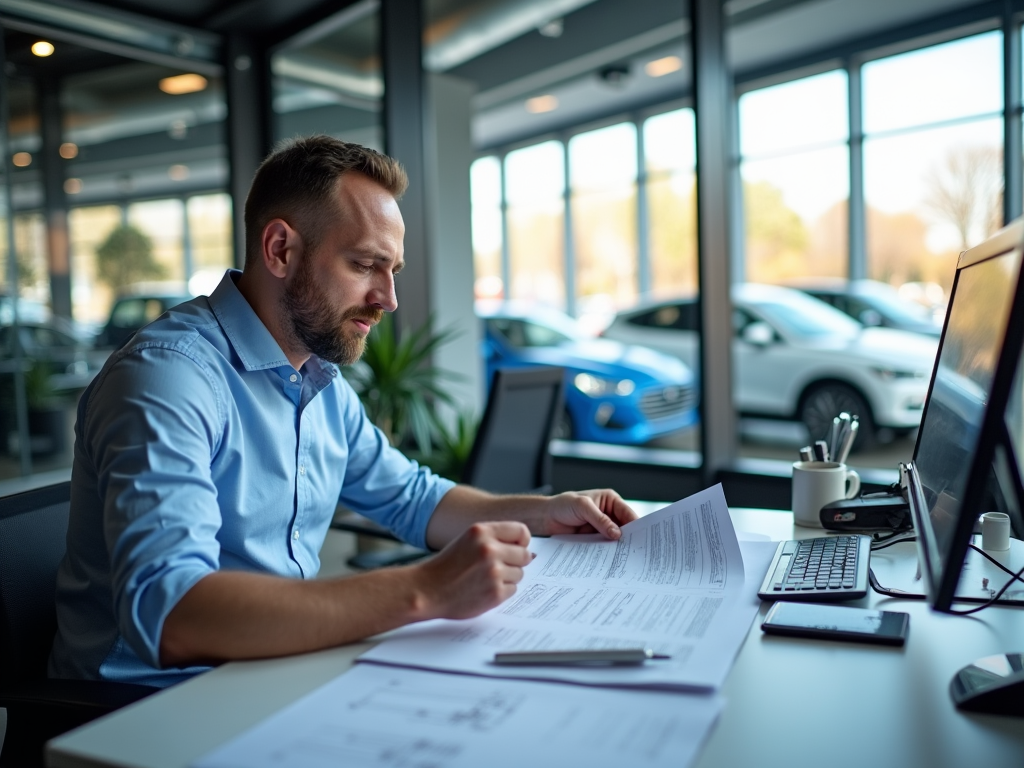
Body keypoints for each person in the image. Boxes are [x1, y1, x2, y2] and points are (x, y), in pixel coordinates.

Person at [50, 135, 636, 687]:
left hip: (266, 673)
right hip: (145, 708)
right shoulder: (167, 377)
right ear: (280, 249)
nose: (388, 299)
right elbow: (171, 615)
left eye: (392, 270)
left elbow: (413, 499)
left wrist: (548, 511)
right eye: (363, 265)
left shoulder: (319, 382)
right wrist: (423, 590)